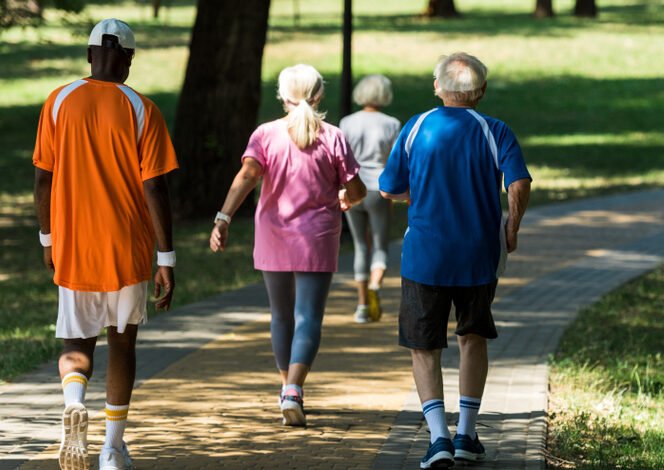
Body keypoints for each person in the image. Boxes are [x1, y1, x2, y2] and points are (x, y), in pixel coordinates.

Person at [33, 19, 178, 470]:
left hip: (74, 246)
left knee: (76, 342)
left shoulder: (58, 102)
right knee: (122, 345)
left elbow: (43, 179)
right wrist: (166, 257)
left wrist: (47, 237)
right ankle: (112, 449)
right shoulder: (142, 108)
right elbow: (155, 188)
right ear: (128, 60)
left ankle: (74, 399)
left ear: (89, 54)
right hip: (127, 251)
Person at [379, 52, 531, 468]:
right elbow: (518, 183)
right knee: (472, 339)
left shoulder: (416, 128)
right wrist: (512, 228)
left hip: (425, 257)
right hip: (479, 255)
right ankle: (466, 432)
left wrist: (414, 194)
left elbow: (390, 188)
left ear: (437, 88)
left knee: (423, 347)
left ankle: (438, 438)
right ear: (480, 91)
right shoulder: (495, 130)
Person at [209, 64, 366, 427]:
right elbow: (357, 190)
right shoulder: (332, 136)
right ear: (319, 95)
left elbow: (248, 175)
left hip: (273, 235)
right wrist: (347, 197)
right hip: (318, 237)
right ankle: (293, 390)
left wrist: (223, 217)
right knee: (308, 316)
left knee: (281, 315)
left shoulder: (265, 134)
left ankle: (287, 389)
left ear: (282, 96)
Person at [339, 75, 401, 323]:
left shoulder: (347, 122)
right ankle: (376, 284)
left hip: (353, 188)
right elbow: (396, 161)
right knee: (379, 244)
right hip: (378, 189)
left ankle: (362, 304)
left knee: (360, 245)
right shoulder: (392, 124)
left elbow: (340, 157)